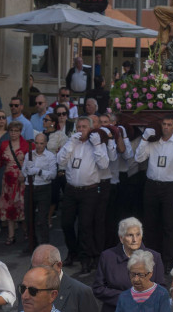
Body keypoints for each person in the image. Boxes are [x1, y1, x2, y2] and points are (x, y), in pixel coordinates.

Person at [134, 116, 173, 270]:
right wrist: (144, 138)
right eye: (163, 124)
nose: (166, 127)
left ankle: (169, 259)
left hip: (171, 187)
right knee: (150, 223)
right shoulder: (152, 141)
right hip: (152, 185)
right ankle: (150, 257)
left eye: (169, 124)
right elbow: (138, 158)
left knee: (169, 224)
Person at [57, 116, 109, 273]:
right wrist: (70, 144)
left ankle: (86, 258)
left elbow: (104, 164)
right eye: (78, 127)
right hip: (71, 189)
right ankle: (73, 252)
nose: (81, 130)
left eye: (84, 127)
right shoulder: (71, 143)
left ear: (91, 128)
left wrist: (98, 145)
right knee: (66, 223)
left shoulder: (96, 144)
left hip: (90, 190)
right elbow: (60, 161)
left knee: (85, 225)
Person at [92, 217, 166, 312]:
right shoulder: (107, 257)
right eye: (130, 235)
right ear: (121, 238)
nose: (135, 239)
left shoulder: (155, 257)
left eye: (138, 235)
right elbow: (98, 288)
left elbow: (161, 289)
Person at [26, 244, 98, 312]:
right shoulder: (24, 290)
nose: (38, 275)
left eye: (43, 269)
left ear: (58, 266)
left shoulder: (81, 293)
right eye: (34, 269)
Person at [0, 121, 29, 245]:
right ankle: (11, 235)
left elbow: (31, 162)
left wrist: (23, 174)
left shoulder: (26, 145)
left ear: (20, 132)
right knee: (9, 206)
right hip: (8, 180)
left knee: (22, 206)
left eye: (16, 131)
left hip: (22, 180)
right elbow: (0, 160)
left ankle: (26, 232)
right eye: (11, 131)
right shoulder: (4, 144)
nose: (13, 133)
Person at [23, 132, 57, 245]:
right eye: (36, 143)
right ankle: (32, 244)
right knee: (29, 218)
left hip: (44, 188)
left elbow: (53, 175)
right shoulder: (29, 154)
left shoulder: (50, 156)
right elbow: (24, 172)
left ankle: (45, 245)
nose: (38, 146)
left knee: (42, 219)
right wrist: (28, 170)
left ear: (46, 143)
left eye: (41, 143)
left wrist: (38, 171)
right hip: (30, 187)